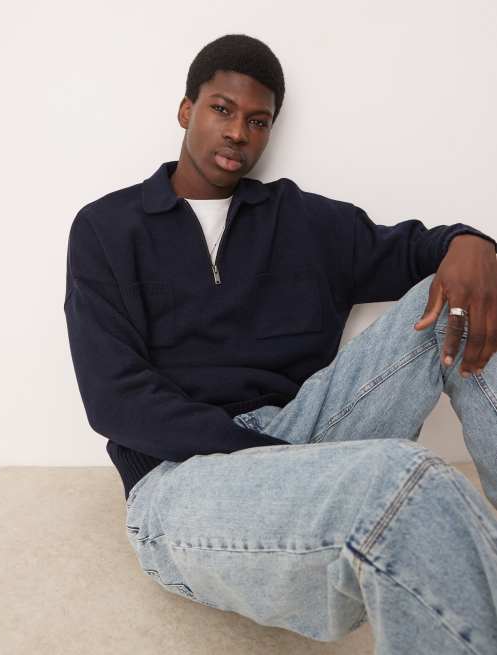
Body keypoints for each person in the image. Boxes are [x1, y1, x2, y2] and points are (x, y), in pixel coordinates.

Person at [64, 33, 497, 653]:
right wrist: (267, 457)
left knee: (463, 295)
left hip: (302, 435)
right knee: (402, 479)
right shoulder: (107, 228)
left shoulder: (304, 221)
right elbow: (115, 400)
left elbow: (423, 251)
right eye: (221, 109)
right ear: (186, 111)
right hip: (181, 480)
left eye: (257, 121)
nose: (237, 132)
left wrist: (473, 243)